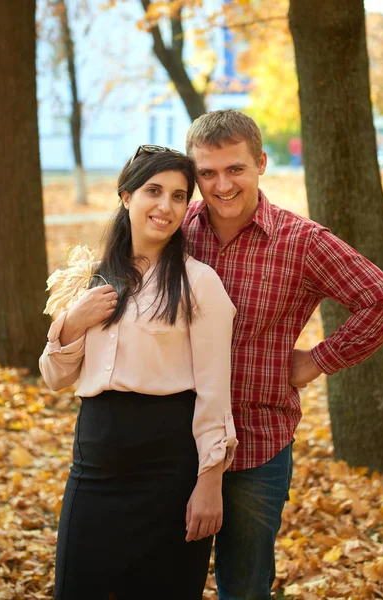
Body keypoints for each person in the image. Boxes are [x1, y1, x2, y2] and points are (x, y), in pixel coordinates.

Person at [182, 109, 383, 600]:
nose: (222, 185)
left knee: (243, 585)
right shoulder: (178, 230)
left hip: (256, 442)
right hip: (174, 437)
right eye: (207, 172)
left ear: (261, 162)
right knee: (163, 577)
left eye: (235, 169)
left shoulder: (301, 241)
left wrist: (316, 361)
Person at [39, 145, 238, 600]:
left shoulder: (199, 283)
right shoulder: (90, 277)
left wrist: (209, 482)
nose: (166, 206)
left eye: (178, 196)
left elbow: (213, 391)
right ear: (126, 196)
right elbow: (54, 376)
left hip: (168, 465)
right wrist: (73, 322)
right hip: (95, 461)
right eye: (154, 191)